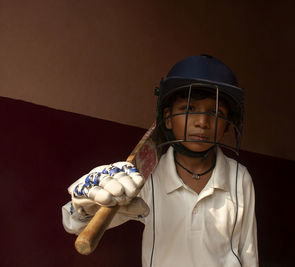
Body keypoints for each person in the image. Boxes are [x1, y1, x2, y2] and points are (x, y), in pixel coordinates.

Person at [62, 55, 258, 267]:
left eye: (215, 112)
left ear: (228, 123)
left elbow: (248, 252)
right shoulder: (147, 175)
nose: (202, 122)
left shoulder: (239, 176)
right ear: (168, 117)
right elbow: (75, 225)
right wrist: (84, 207)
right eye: (189, 108)